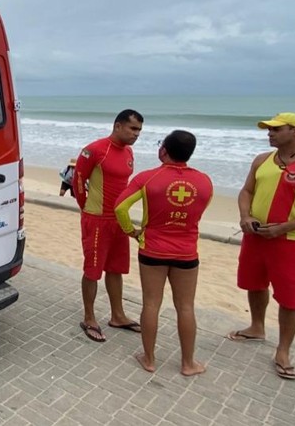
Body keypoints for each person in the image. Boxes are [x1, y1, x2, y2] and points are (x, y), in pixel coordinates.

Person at [229, 112, 295, 381]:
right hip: (255, 236)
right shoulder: (262, 160)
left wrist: (284, 227)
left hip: (290, 242)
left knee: (290, 297)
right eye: (269, 129)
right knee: (254, 283)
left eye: (277, 129)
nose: (270, 133)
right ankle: (256, 326)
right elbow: (247, 191)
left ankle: (283, 350)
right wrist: (245, 216)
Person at [114, 130, 213, 375]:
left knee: (151, 304)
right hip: (187, 252)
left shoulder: (148, 177)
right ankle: (188, 363)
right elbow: (197, 214)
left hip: (153, 250)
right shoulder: (205, 182)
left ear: (163, 151)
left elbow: (120, 207)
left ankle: (149, 360)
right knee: (186, 307)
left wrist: (132, 232)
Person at [72, 109, 144, 343]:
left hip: (118, 220)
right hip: (97, 219)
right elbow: (78, 180)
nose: (137, 134)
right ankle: (89, 316)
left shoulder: (129, 152)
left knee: (116, 268)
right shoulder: (94, 149)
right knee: (93, 269)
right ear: (118, 126)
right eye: (133, 128)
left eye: (139, 130)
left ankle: (118, 315)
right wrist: (87, 209)